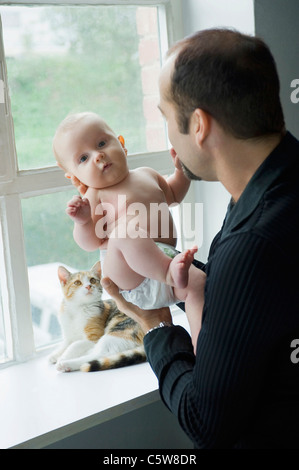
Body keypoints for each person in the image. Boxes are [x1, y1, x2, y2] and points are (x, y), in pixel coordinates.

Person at [100, 29, 299, 449]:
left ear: (200, 125)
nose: (168, 137)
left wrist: (156, 330)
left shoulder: (253, 243)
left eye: (167, 119)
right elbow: (268, 297)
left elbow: (205, 421)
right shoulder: (277, 183)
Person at [53, 112, 206, 352]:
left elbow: (174, 195)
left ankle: (203, 349)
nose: (98, 155)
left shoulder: (147, 174)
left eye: (102, 143)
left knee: (198, 282)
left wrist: (183, 171)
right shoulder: (95, 195)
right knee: (123, 231)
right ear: (74, 176)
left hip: (165, 266)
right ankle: (168, 271)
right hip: (130, 276)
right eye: (83, 158)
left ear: (122, 145)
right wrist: (83, 222)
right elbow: (90, 242)